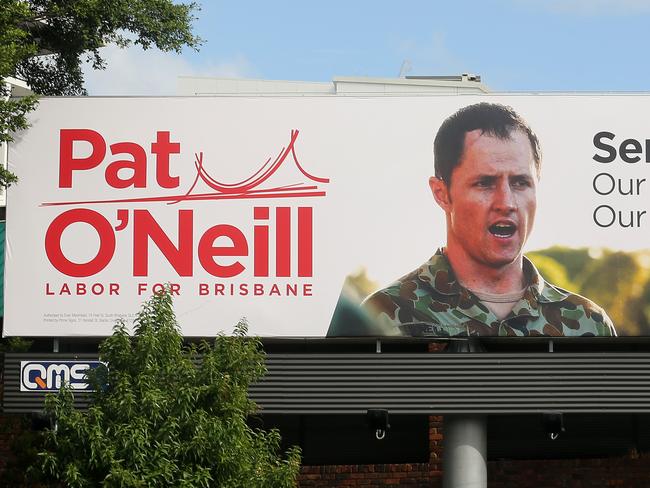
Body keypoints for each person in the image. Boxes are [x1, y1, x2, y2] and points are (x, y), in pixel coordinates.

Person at [360, 103, 616, 337]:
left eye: (520, 183)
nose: (506, 203)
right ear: (442, 193)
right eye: (485, 183)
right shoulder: (384, 316)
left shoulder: (588, 323)